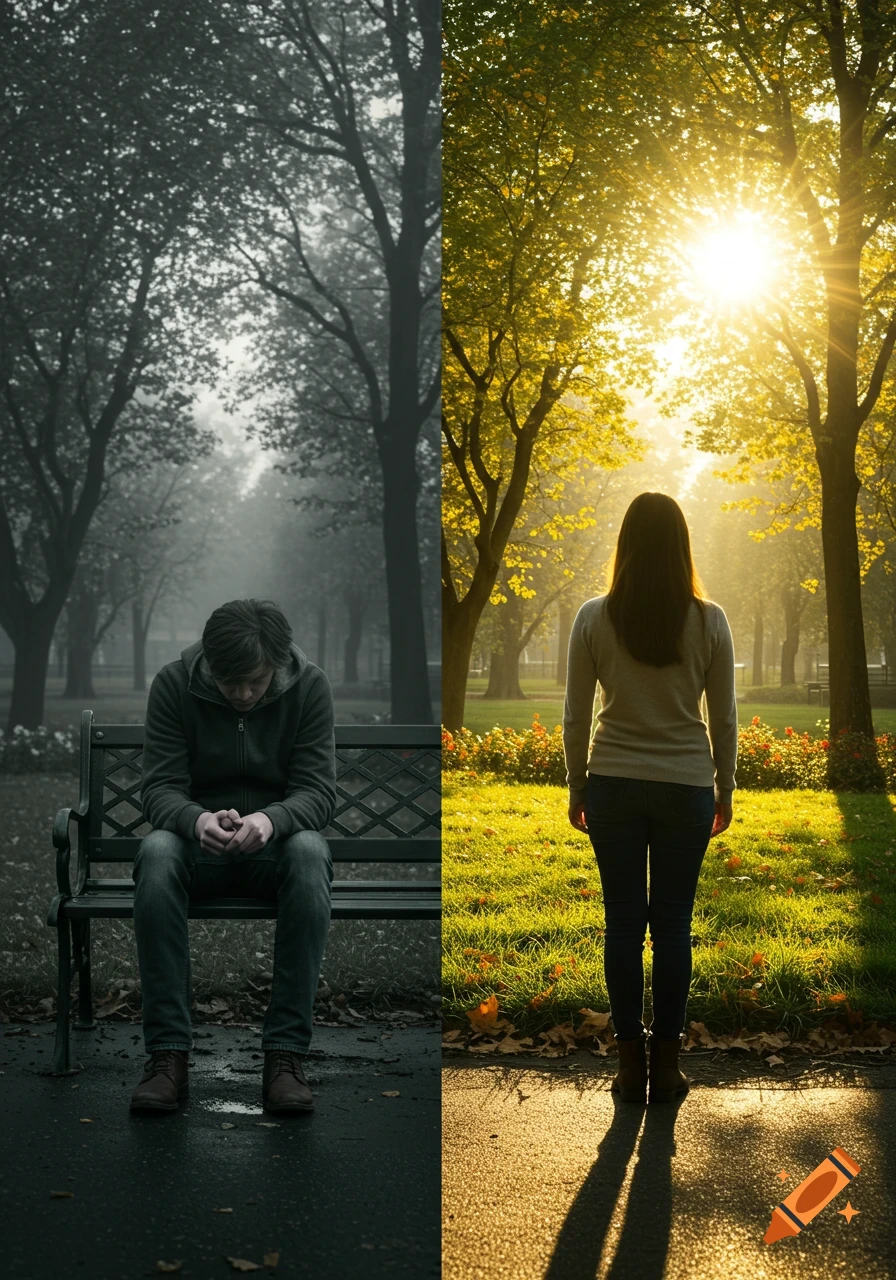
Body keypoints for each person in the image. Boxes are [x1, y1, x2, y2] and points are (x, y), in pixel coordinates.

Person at [129, 598, 336, 1115]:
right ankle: (167, 1056)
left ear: (277, 665)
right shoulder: (174, 684)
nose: (243, 695)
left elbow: (317, 791)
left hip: (276, 849)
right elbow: (159, 788)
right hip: (198, 849)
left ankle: (286, 1056)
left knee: (310, 852)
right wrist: (196, 820)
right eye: (229, 683)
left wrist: (270, 820)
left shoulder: (309, 686)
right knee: (156, 851)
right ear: (210, 665)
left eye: (255, 683)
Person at [563, 493, 737, 1106]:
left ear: (626, 546)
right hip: (686, 785)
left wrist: (577, 786)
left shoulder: (593, 617)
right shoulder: (710, 620)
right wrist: (725, 788)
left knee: (622, 923)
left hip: (611, 782)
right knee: (672, 925)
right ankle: (666, 1066)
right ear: (681, 546)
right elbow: (725, 717)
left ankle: (628, 1066)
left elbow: (575, 715)